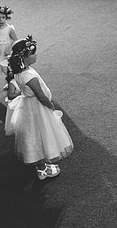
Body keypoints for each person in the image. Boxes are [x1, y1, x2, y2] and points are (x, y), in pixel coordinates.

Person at [5, 36, 72, 181]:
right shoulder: (29, 75)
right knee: (42, 135)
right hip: (37, 108)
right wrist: (51, 107)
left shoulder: (18, 72)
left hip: (27, 107)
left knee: (32, 135)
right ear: (25, 57)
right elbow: (41, 96)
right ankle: (43, 167)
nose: (36, 55)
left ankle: (40, 167)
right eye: (33, 53)